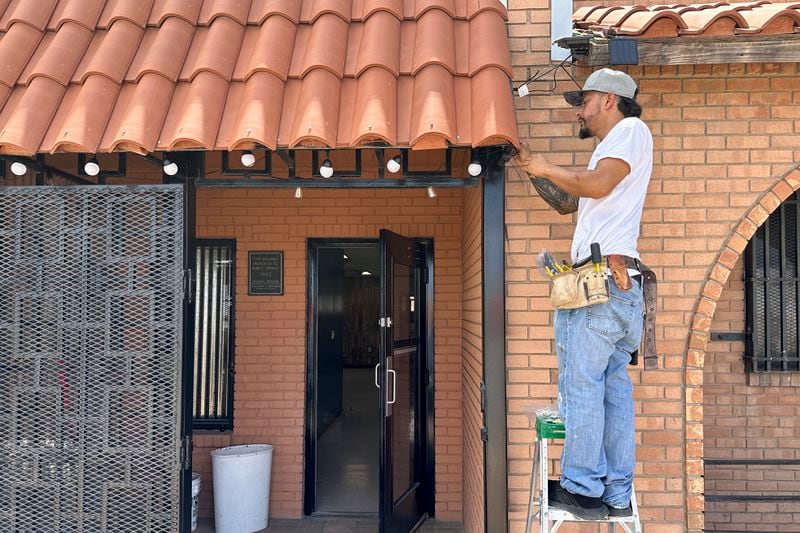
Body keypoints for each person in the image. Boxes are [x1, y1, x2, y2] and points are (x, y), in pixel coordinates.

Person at [514, 68, 653, 520]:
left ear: (610, 100)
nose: (580, 109)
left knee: (581, 386)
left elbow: (594, 185)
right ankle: (614, 491)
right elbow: (569, 200)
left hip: (599, 290)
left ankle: (582, 486)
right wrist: (530, 166)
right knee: (611, 389)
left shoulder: (630, 131)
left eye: (585, 99)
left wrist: (545, 165)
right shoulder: (612, 148)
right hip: (617, 287)